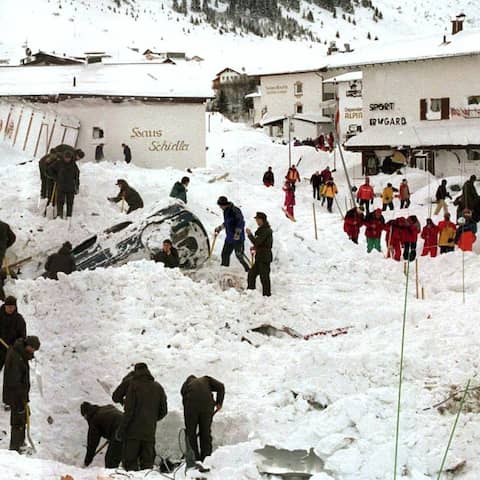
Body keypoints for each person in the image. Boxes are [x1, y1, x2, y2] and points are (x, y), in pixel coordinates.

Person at [119, 363, 168, 471]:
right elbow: (164, 411)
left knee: (130, 466)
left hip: (132, 434)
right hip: (149, 433)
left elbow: (129, 411)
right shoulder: (158, 387)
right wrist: (152, 419)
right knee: (147, 468)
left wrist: (121, 430)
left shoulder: (133, 385)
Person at [3, 336, 40, 452]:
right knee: (18, 421)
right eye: (33, 349)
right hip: (16, 395)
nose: (33, 352)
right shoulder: (16, 357)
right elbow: (14, 380)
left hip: (19, 395)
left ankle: (20, 444)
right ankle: (15, 447)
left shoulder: (20, 354)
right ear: (29, 346)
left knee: (22, 419)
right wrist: (22, 398)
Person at [181, 375, 225, 463]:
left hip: (191, 405)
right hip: (207, 405)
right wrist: (219, 402)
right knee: (205, 432)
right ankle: (206, 459)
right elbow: (221, 386)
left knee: (191, 433)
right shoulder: (206, 379)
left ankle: (194, 460)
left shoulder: (185, 386)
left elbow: (184, 400)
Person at [80, 402, 123, 468]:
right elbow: (113, 419)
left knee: (111, 460)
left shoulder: (94, 420)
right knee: (129, 458)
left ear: (86, 415)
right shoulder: (106, 408)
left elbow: (92, 443)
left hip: (119, 431)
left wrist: (87, 461)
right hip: (131, 425)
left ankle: (111, 477)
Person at [215, 197, 250, 272]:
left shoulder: (235, 210)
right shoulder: (225, 211)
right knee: (225, 254)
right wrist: (220, 227)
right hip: (229, 238)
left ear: (224, 204)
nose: (220, 207)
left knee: (239, 255)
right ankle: (224, 269)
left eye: (220, 206)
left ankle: (248, 270)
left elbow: (241, 222)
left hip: (238, 238)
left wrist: (237, 233)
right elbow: (228, 222)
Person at [47, 150, 80, 219]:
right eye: (66, 158)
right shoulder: (59, 163)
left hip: (70, 187)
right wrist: (55, 177)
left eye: (69, 158)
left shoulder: (73, 165)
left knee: (70, 202)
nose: (67, 159)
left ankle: (69, 216)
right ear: (63, 157)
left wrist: (77, 186)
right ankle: (60, 215)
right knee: (60, 201)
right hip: (61, 186)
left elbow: (77, 176)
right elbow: (50, 169)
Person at [246, 212, 273, 296]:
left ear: (262, 220)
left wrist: (250, 235)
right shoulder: (262, 229)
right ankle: (251, 291)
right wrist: (255, 247)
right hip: (260, 257)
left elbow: (257, 242)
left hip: (264, 257)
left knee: (264, 277)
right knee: (252, 274)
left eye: (257, 219)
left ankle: (267, 294)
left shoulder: (265, 230)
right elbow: (260, 243)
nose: (256, 221)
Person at [0, 297, 26, 373]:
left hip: (12, 350)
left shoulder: (19, 319)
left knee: (12, 374)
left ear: (15, 307)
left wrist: (16, 346)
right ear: (5, 306)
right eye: (8, 307)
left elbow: (22, 336)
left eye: (12, 307)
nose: (10, 309)